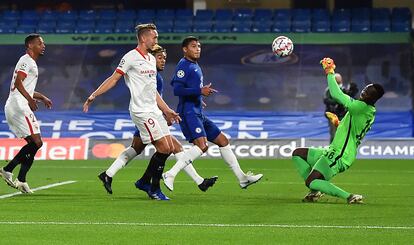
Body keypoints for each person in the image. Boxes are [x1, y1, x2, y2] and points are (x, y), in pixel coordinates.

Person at [83, 24, 207, 201]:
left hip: (154, 111)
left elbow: (153, 91)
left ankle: (142, 182)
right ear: (143, 38)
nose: (156, 40)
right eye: (154, 37)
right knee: (164, 148)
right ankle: (153, 188)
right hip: (141, 111)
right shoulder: (130, 58)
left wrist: (167, 110)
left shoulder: (150, 59)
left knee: (170, 147)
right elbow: (114, 78)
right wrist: (94, 94)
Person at [162, 36, 263, 191]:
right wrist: (199, 91)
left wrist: (198, 96)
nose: (197, 49)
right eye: (194, 46)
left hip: (197, 111)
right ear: (185, 49)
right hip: (188, 113)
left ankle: (242, 178)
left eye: (199, 46)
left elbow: (187, 90)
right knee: (202, 146)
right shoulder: (184, 66)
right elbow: (177, 89)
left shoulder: (194, 65)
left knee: (223, 140)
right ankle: (171, 174)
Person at [291, 57, 384, 204]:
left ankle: (349, 196)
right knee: (298, 154)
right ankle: (315, 191)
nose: (363, 92)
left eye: (367, 92)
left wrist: (329, 71)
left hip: (341, 154)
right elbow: (352, 131)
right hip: (334, 150)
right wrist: (337, 123)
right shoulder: (366, 110)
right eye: (365, 89)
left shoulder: (360, 107)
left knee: (311, 181)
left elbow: (336, 94)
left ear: (372, 98)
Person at [0, 34, 52, 193]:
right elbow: (18, 83)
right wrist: (30, 100)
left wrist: (41, 97)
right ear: (30, 45)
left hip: (18, 104)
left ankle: (21, 179)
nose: (43, 45)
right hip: (19, 105)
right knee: (37, 143)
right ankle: (8, 170)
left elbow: (25, 86)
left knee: (33, 144)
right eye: (39, 43)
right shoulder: (26, 60)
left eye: (43, 43)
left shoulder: (31, 62)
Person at [323, 73, 359, 142]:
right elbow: (326, 100)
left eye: (339, 78)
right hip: (333, 115)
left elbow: (350, 100)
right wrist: (337, 102)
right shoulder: (329, 89)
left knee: (344, 134)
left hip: (343, 115)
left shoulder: (344, 89)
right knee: (334, 134)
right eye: (336, 78)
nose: (338, 80)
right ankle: (332, 150)